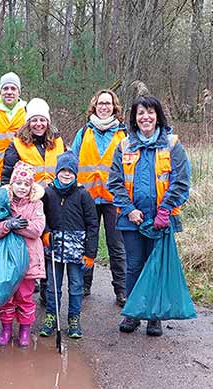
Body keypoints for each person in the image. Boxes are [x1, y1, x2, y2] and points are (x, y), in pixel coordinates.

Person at [107, 96, 191, 337]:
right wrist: (129, 209)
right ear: (134, 117)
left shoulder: (172, 144)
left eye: (150, 112)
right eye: (140, 113)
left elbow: (181, 180)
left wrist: (165, 210)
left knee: (156, 267)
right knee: (134, 266)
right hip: (131, 220)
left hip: (161, 220)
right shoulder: (124, 146)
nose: (145, 117)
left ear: (158, 116)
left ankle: (154, 316)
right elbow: (115, 182)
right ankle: (133, 313)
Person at [70, 89, 128, 304]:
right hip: (87, 198)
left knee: (117, 245)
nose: (105, 107)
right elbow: (71, 160)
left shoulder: (123, 135)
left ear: (115, 107)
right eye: (101, 103)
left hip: (115, 199)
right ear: (94, 106)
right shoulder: (84, 132)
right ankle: (85, 284)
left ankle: (121, 290)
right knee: (87, 243)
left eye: (109, 104)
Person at [38, 152, 98, 339]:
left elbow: (93, 224)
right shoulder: (47, 193)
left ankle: (74, 318)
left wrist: (90, 253)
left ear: (75, 173)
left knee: (76, 284)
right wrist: (45, 232)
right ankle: (51, 315)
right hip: (54, 246)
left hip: (77, 248)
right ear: (57, 172)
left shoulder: (83, 195)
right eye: (63, 170)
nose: (66, 174)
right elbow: (40, 216)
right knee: (52, 286)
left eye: (70, 171)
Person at [0, 162, 46, 347]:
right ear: (12, 184)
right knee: (7, 296)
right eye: (18, 183)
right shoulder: (3, 203)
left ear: (31, 187)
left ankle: (24, 330)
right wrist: (7, 225)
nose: (22, 188)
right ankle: (6, 329)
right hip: (6, 261)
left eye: (26, 184)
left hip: (28, 260)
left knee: (25, 296)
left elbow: (37, 229)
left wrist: (20, 225)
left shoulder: (36, 204)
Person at [0, 98, 65, 186]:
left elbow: (66, 169)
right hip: (27, 196)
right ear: (28, 123)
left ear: (48, 122)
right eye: (34, 120)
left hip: (55, 194)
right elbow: (7, 176)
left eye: (42, 120)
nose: (38, 124)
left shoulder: (58, 141)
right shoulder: (17, 144)